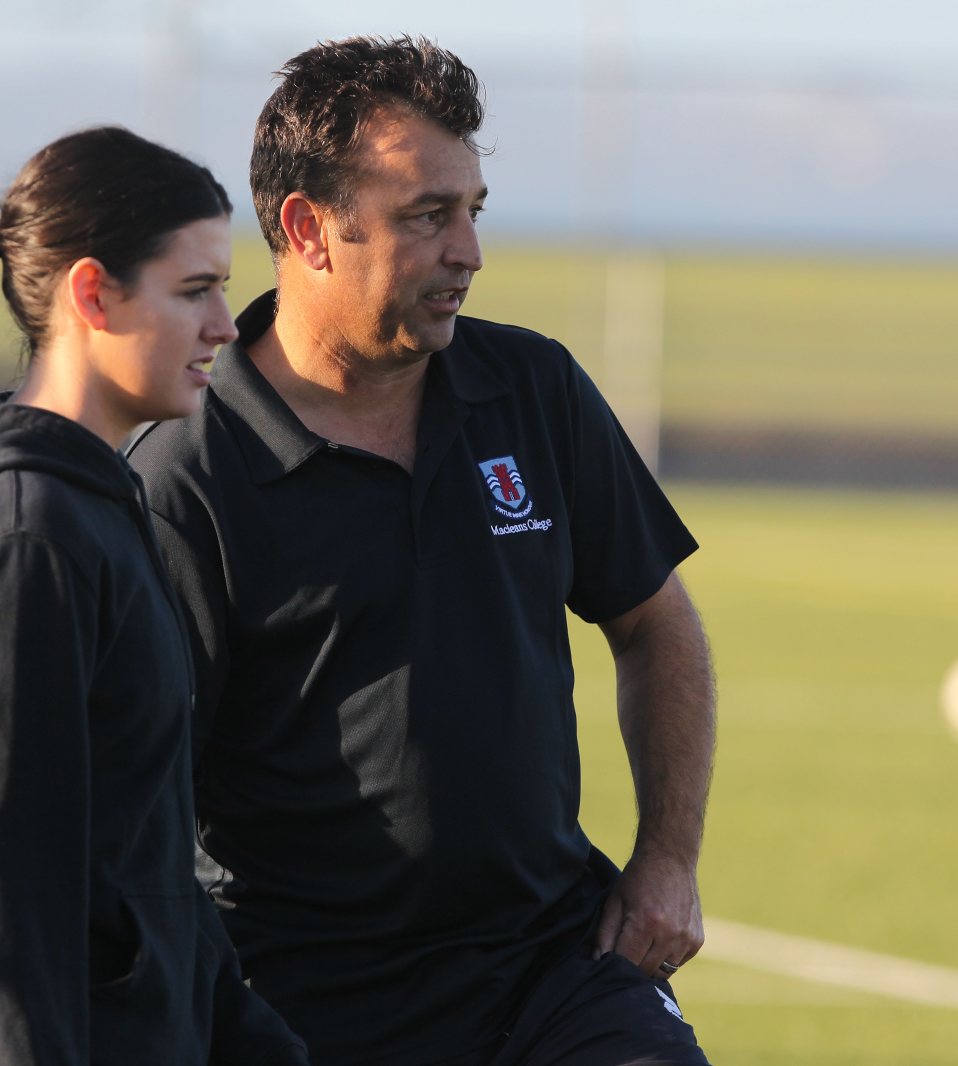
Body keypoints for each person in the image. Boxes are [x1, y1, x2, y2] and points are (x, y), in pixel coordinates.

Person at [128, 37, 715, 1066]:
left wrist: (667, 859)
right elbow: (136, 806)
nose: (469, 251)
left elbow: (656, 624)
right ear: (309, 229)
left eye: (473, 210)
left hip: (550, 969)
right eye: (426, 216)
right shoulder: (189, 473)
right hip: (303, 1006)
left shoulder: (533, 390)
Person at [0, 126, 307, 1066]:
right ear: (92, 293)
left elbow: (139, 852)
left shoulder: (86, 501)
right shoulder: (23, 531)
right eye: (194, 289)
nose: (224, 324)